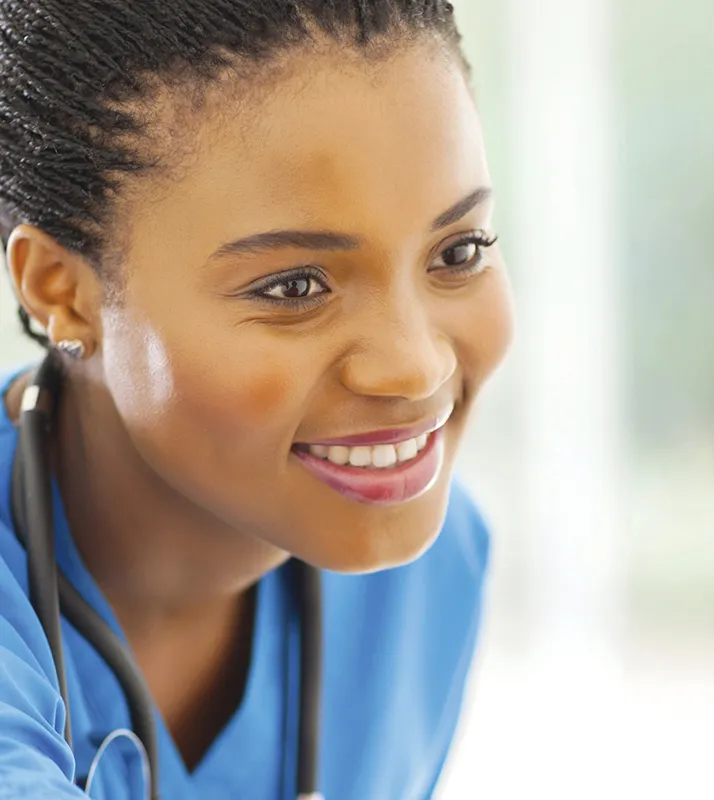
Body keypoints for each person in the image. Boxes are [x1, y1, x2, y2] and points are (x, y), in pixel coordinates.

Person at [0, 2, 514, 798]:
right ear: (60, 290)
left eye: (459, 250)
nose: (413, 368)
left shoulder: (424, 577)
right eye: (295, 286)